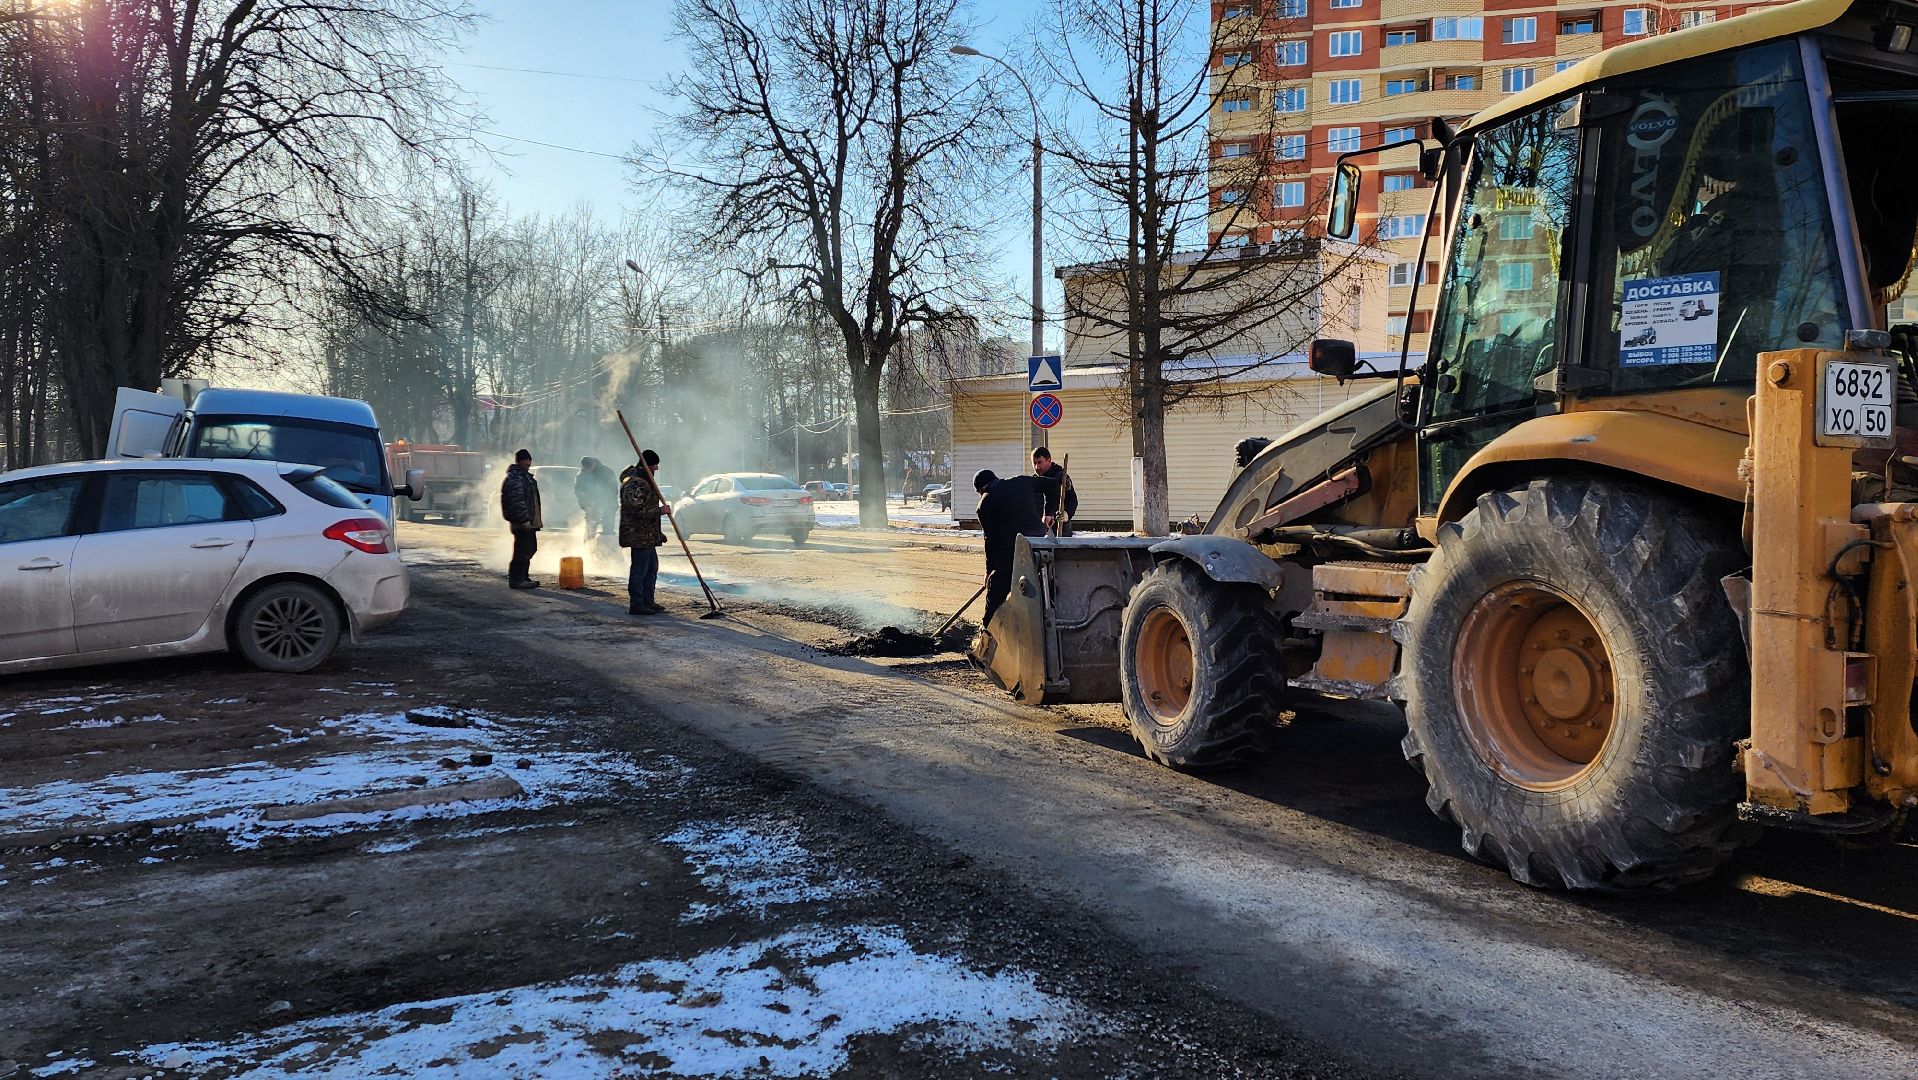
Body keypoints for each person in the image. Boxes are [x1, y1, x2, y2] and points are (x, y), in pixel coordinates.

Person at [973, 468, 1061, 627]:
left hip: (1011, 552)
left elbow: (990, 540)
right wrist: (1049, 512)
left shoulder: (984, 504)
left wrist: (989, 571)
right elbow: (1053, 485)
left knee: (996, 595)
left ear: (981, 489)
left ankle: (987, 635)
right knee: (1047, 589)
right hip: (1039, 546)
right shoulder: (1021, 482)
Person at [619, 450, 672, 615]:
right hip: (638, 534)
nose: (657, 468)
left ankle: (648, 601)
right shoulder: (634, 483)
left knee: (651, 568)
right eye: (655, 465)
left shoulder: (645, 480)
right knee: (639, 569)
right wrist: (659, 511)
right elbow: (635, 510)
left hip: (648, 535)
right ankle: (636, 604)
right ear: (647, 465)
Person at [500, 449, 543, 589]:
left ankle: (523, 577)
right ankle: (516, 579)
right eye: (525, 460)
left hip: (530, 522)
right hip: (522, 522)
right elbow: (516, 501)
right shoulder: (515, 478)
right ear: (519, 461)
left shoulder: (526, 477)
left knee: (529, 549)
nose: (528, 463)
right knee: (522, 550)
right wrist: (523, 519)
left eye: (529, 460)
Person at [1031, 447, 1077, 536]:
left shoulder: (1061, 477)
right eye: (1034, 463)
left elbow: (1072, 499)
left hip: (1060, 528)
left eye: (1040, 462)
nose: (1037, 467)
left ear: (1048, 460)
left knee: (1061, 549)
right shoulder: (1034, 480)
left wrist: (1066, 514)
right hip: (1039, 528)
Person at [574, 457, 617, 544]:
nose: (589, 470)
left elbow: (613, 488)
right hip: (592, 505)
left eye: (590, 467)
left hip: (608, 504)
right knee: (590, 528)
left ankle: (607, 548)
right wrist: (585, 506)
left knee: (608, 528)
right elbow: (578, 491)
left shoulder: (607, 472)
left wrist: (610, 502)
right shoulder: (582, 474)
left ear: (593, 463)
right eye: (587, 469)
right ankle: (588, 548)